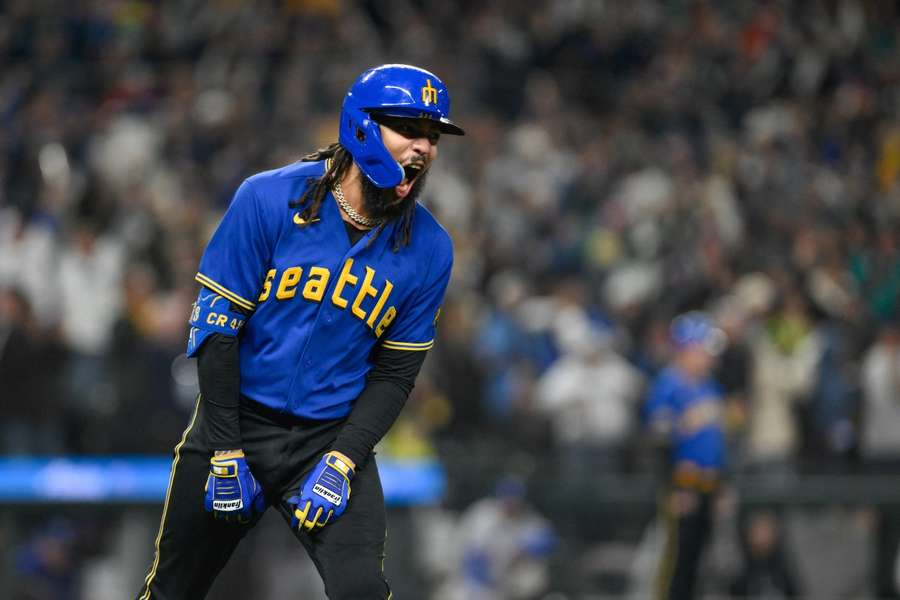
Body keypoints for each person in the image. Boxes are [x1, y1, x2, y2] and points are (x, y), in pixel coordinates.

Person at [135, 63, 464, 600]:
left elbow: (396, 375)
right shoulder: (269, 199)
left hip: (328, 436)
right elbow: (218, 332)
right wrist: (224, 449)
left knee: (362, 590)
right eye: (409, 129)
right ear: (362, 126)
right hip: (236, 418)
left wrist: (344, 458)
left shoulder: (430, 249)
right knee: (172, 589)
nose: (424, 146)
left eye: (432, 135)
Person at [644, 311, 727, 600]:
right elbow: (658, 442)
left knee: (698, 568)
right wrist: (671, 488)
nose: (708, 357)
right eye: (703, 349)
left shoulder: (710, 386)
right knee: (673, 569)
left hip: (708, 486)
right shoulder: (668, 385)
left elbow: (718, 444)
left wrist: (721, 488)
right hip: (682, 487)